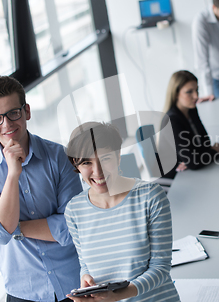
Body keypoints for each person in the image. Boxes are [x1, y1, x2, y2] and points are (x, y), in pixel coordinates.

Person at [0, 76, 82, 302]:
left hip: (74, 283)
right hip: (24, 292)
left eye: (13, 113)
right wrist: (12, 174)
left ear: (26, 111)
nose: (7, 125)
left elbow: (72, 228)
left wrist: (14, 228)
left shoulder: (59, 156)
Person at [64, 122, 180, 302]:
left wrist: (118, 296)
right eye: (87, 162)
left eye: (106, 159)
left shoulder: (150, 197)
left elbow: (161, 268)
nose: (98, 171)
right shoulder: (74, 210)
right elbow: (85, 263)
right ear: (75, 164)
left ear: (118, 156)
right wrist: (86, 277)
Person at [161, 70, 219, 179]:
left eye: (196, 90)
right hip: (176, 177)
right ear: (176, 94)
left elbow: (205, 143)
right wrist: (215, 151)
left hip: (194, 172)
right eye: (189, 92)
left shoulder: (191, 110)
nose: (196, 96)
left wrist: (197, 157)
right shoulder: (171, 121)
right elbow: (194, 163)